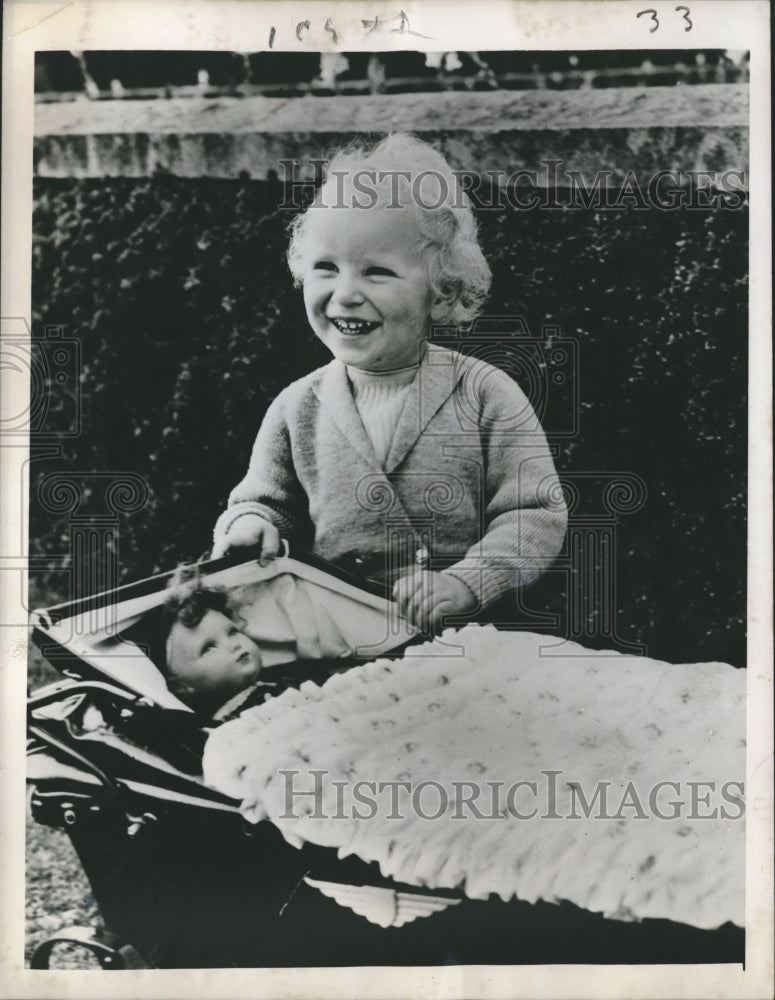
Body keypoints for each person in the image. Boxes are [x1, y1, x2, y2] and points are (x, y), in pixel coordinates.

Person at [212, 133, 567, 632]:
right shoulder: (297, 407)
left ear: (442, 293)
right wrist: (252, 527)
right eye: (325, 268)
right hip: (336, 642)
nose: (346, 293)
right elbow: (266, 502)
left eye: (376, 272)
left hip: (467, 641)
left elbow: (534, 512)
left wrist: (469, 581)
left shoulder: (485, 394)